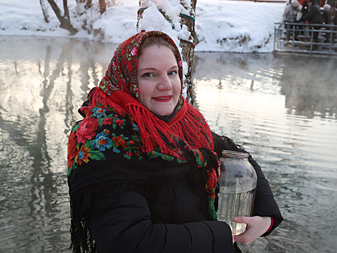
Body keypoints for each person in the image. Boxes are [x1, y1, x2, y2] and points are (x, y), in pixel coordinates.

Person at [67, 30, 283, 253]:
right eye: (149, 75)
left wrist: (265, 218)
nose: (166, 85)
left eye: (172, 72)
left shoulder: (186, 125)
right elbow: (130, 241)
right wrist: (221, 234)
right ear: (126, 80)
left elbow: (239, 158)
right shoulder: (103, 145)